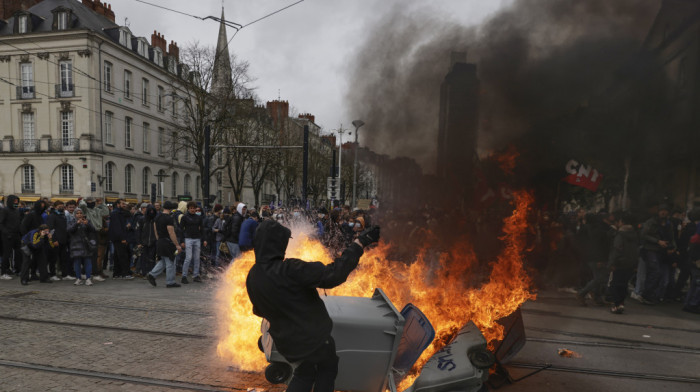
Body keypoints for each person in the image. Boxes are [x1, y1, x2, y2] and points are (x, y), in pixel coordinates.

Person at [246, 220, 380, 392]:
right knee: (327, 368)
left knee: (305, 372)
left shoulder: (253, 275)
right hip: (314, 340)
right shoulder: (290, 269)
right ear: (277, 244)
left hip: (287, 342)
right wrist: (358, 244)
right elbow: (333, 275)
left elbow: (258, 310)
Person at [607, 213, 639, 314]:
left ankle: (616, 304)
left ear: (622, 222)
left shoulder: (620, 234)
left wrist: (612, 263)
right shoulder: (634, 234)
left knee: (614, 284)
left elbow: (617, 249)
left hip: (619, 263)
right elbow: (636, 250)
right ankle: (621, 303)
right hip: (630, 263)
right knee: (624, 284)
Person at [147, 200, 182, 288]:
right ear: (170, 209)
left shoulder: (157, 217)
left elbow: (155, 229)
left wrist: (158, 239)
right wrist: (177, 244)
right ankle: (170, 282)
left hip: (160, 241)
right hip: (167, 242)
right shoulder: (168, 218)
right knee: (170, 262)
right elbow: (171, 232)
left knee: (163, 261)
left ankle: (152, 274)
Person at [79, 197, 110, 281]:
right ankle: (90, 273)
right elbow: (81, 205)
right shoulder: (86, 210)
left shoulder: (97, 210)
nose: (91, 203)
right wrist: (84, 199)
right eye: (89, 202)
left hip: (97, 232)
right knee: (90, 253)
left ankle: (88, 272)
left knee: (94, 254)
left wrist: (101, 203)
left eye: (92, 201)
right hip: (89, 232)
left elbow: (106, 212)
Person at [180, 201, 207, 284]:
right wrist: (182, 241)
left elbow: (202, 229)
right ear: (188, 208)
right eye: (191, 208)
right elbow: (181, 229)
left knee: (196, 258)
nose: (192, 210)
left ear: (195, 209)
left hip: (197, 239)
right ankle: (184, 276)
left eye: (193, 208)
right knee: (188, 257)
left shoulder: (198, 218)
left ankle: (196, 275)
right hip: (188, 238)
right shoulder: (184, 217)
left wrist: (204, 239)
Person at [68, 209, 97, 286]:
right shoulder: (72, 221)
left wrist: (88, 224)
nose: (79, 215)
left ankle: (88, 278)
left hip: (86, 245)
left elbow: (93, 230)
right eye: (77, 213)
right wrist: (76, 224)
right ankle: (78, 278)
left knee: (88, 261)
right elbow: (69, 230)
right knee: (77, 263)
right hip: (76, 245)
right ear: (75, 215)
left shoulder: (87, 221)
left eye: (81, 213)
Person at [108, 199, 134, 279]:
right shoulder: (116, 213)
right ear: (118, 204)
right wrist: (122, 238)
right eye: (123, 204)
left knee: (117, 255)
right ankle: (125, 273)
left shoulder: (120, 213)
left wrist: (127, 227)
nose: (124, 205)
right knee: (123, 255)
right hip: (119, 238)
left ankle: (117, 273)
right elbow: (117, 227)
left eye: (125, 203)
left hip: (119, 237)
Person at [47, 200, 72, 280]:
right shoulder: (52, 216)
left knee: (63, 258)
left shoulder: (63, 215)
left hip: (63, 240)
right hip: (56, 240)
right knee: (53, 259)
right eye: (59, 207)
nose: (61, 208)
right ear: (55, 207)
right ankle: (52, 274)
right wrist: (54, 240)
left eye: (62, 206)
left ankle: (64, 274)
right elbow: (50, 228)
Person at [0, 195, 22, 279]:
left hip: (16, 235)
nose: (16, 203)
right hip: (7, 235)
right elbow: (1, 223)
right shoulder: (5, 210)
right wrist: (6, 233)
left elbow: (18, 222)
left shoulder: (17, 211)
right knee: (7, 254)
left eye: (17, 201)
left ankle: (18, 269)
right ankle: (3, 272)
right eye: (15, 201)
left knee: (18, 253)